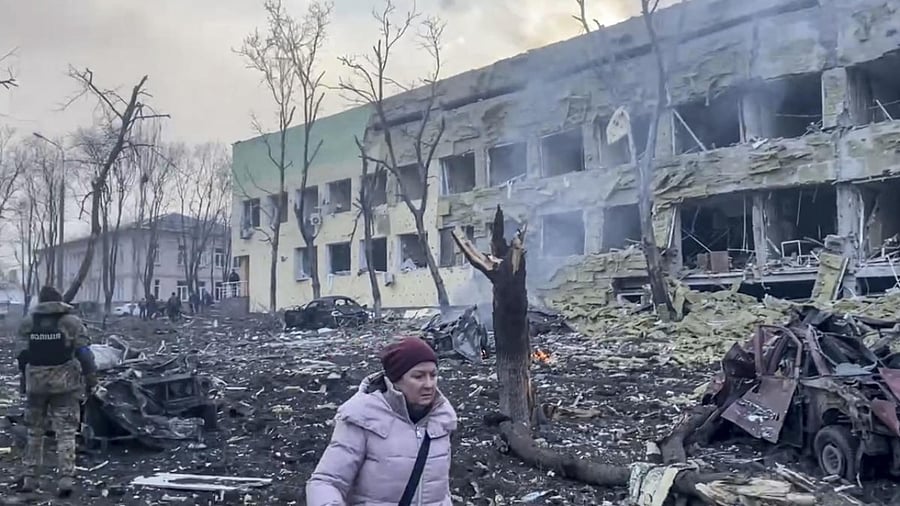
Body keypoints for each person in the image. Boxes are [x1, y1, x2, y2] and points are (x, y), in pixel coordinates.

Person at [306, 337, 457, 506]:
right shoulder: (362, 418)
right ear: (395, 379)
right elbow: (326, 482)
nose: (429, 384)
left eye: (433, 375)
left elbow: (441, 491)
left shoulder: (442, 419)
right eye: (418, 376)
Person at [15, 286, 97, 497]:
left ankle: (30, 478)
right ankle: (66, 478)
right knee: (66, 432)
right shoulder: (71, 322)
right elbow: (85, 354)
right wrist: (91, 381)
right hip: (65, 385)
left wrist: (25, 382)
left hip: (36, 386)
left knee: (34, 432)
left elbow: (22, 356)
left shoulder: (28, 323)